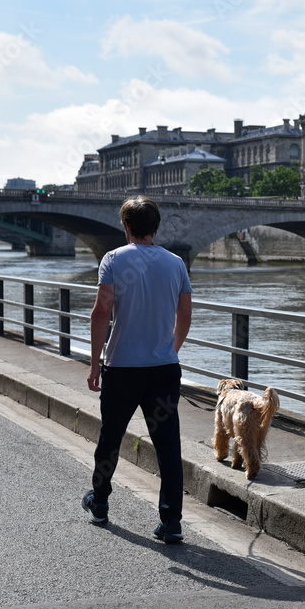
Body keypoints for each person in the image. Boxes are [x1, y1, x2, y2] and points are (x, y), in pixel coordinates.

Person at [82, 196, 192, 544]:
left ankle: (99, 503)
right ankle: (171, 521)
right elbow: (185, 317)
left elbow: (102, 311)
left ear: (126, 226)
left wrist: (94, 361)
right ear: (155, 226)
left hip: (122, 368)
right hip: (163, 369)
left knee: (111, 439)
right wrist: (169, 351)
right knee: (168, 446)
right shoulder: (176, 263)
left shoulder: (114, 259)